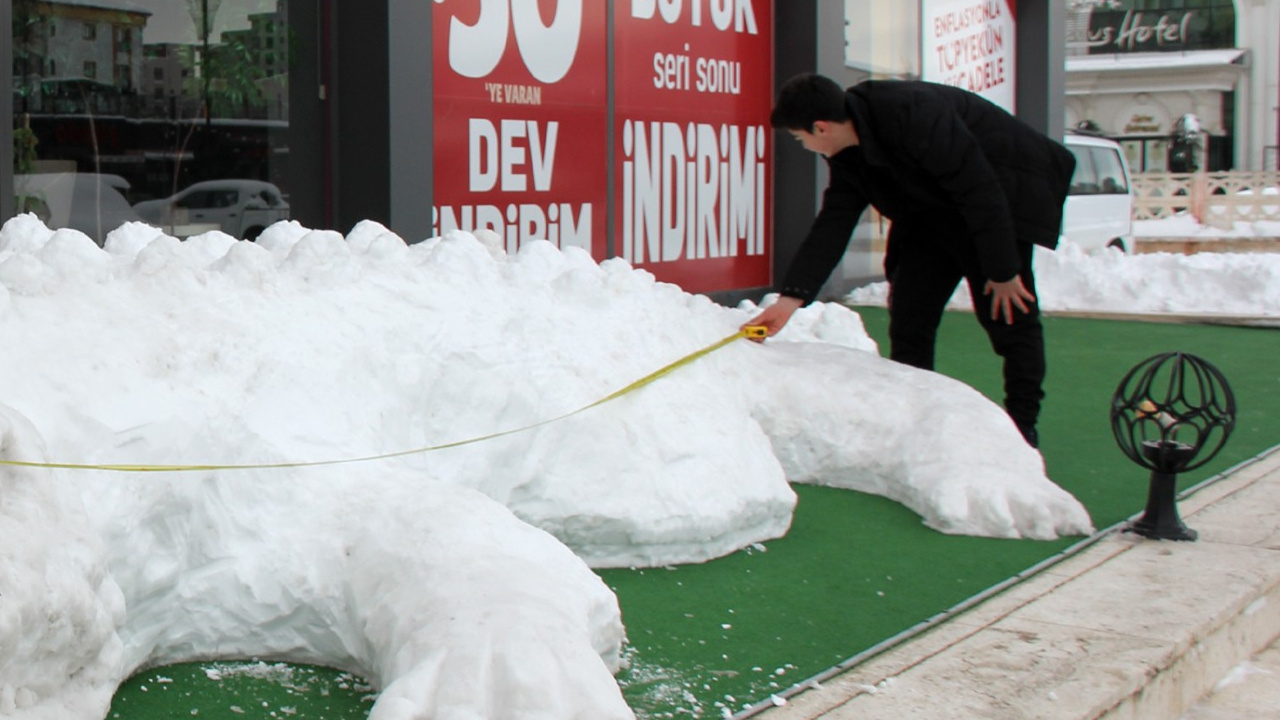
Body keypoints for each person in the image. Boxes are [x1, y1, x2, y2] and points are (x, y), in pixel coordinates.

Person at [745, 74, 1076, 448]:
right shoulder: (849, 155)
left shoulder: (912, 113)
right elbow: (833, 224)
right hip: (931, 215)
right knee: (909, 316)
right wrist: (791, 298)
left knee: (1009, 316)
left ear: (820, 128)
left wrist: (1002, 270)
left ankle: (1023, 429)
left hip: (998, 201)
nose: (803, 146)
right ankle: (914, 420)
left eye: (799, 138)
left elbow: (979, 187)